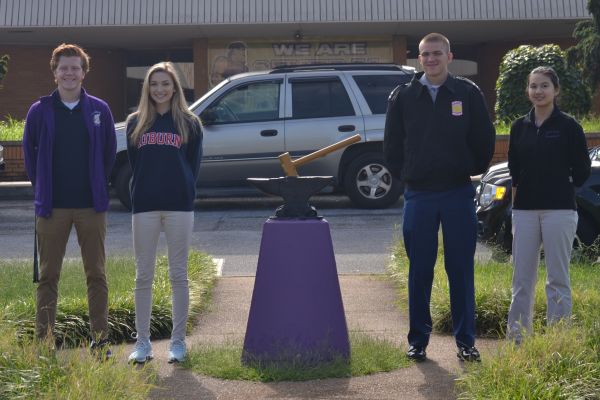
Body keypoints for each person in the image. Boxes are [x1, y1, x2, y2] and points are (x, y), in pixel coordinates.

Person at [383, 33, 495, 362]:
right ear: (418, 59)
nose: (430, 59)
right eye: (425, 54)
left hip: (458, 192)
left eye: (436, 53)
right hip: (419, 194)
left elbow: (484, 139)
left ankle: (465, 341)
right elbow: (391, 145)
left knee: (460, 268)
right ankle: (418, 340)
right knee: (420, 269)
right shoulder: (403, 95)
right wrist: (409, 174)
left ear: (449, 56)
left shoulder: (467, 92)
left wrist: (467, 168)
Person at [22, 43, 116, 357]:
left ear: (84, 72)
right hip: (52, 209)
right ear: (54, 72)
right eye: (64, 67)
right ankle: (44, 344)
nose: (69, 73)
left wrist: (98, 186)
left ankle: (100, 340)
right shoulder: (40, 111)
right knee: (48, 276)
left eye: (75, 67)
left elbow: (108, 155)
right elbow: (30, 157)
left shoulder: (99, 110)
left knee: (97, 274)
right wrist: (43, 192)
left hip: (91, 207)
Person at [126, 62, 203, 364]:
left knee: (178, 275)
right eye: (154, 84)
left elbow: (192, 166)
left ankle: (178, 343)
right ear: (147, 88)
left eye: (165, 84)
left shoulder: (189, 122)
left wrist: (179, 187)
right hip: (144, 205)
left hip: (179, 206)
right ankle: (143, 344)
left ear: (174, 87)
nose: (159, 89)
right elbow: (136, 164)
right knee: (143, 275)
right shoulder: (136, 122)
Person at [507, 66, 590, 343]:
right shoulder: (519, 127)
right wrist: (517, 209)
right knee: (522, 281)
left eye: (544, 86)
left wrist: (559, 184)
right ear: (527, 90)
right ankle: (518, 340)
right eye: (533, 86)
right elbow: (514, 171)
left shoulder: (569, 126)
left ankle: (558, 341)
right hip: (525, 212)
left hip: (560, 211)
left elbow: (581, 170)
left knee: (557, 279)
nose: (538, 92)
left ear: (556, 90)